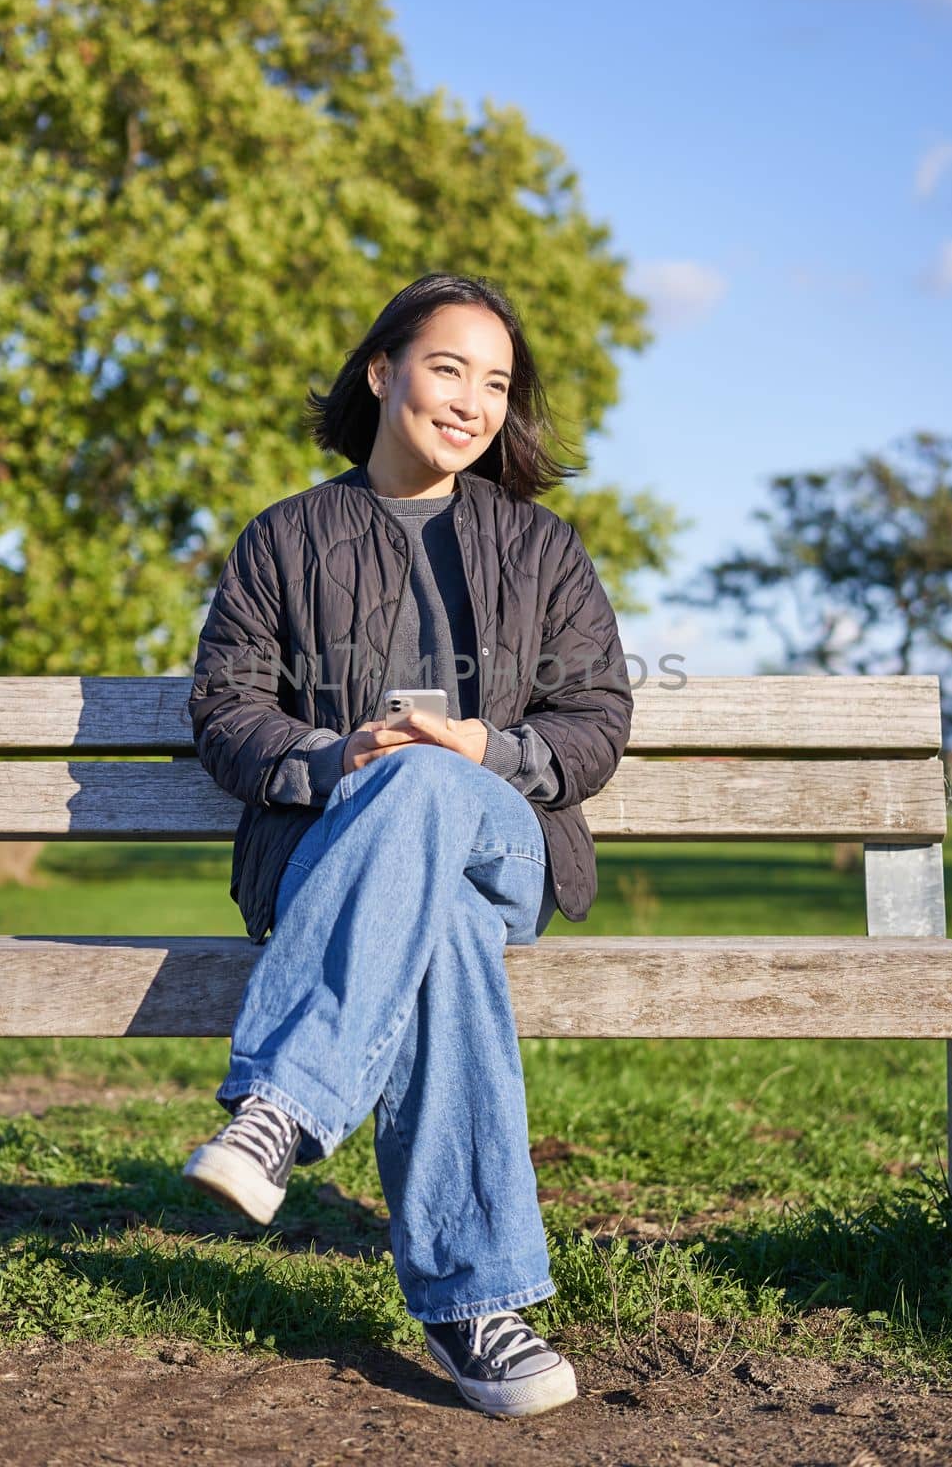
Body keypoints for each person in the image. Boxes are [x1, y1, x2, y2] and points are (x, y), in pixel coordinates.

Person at [183, 272, 634, 1419]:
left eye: (495, 383)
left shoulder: (542, 548)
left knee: (431, 780)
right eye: (448, 368)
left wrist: (474, 747)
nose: (472, 401)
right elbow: (228, 711)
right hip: (338, 849)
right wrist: (338, 760)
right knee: (437, 938)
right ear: (383, 372)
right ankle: (476, 1307)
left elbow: (592, 725)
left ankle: (281, 1106)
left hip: (503, 840)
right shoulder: (285, 538)